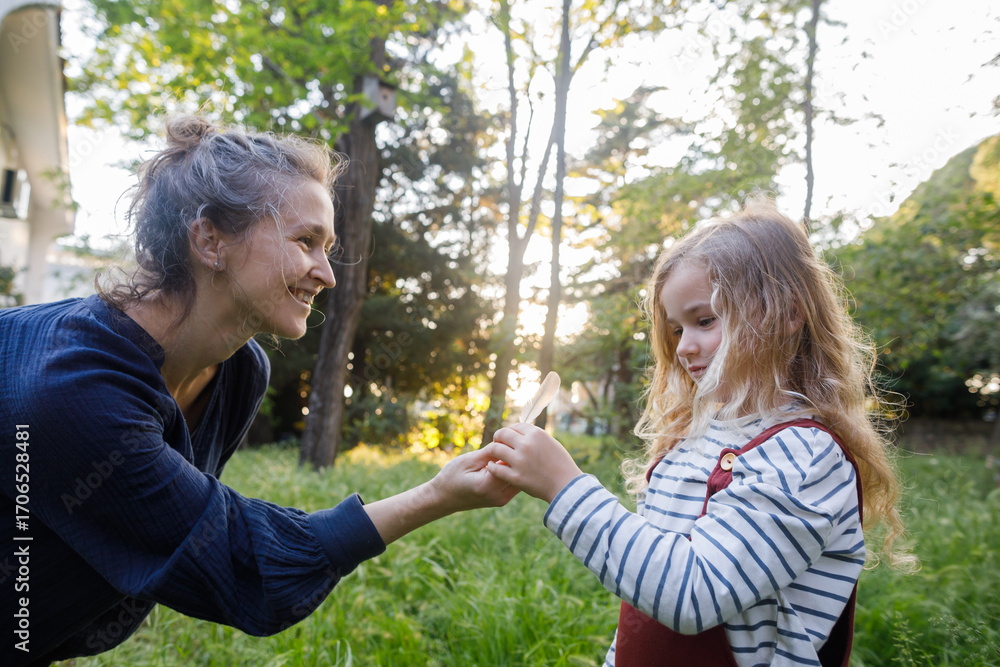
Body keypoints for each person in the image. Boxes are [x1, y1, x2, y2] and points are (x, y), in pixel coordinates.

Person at [0, 115, 516, 666]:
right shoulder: (71, 389)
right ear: (210, 240)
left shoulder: (241, 370)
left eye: (328, 247)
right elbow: (239, 561)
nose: (328, 274)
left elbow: (159, 538)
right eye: (306, 241)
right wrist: (436, 496)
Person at [485, 202, 916, 666]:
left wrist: (564, 486)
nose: (684, 347)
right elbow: (646, 601)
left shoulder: (804, 453)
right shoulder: (691, 439)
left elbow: (694, 594)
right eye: (676, 329)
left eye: (705, 320)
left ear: (788, 314)